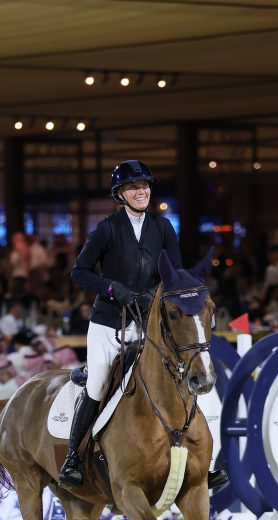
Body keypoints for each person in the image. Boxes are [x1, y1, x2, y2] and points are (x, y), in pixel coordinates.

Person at [59, 159, 226, 490]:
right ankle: (73, 458)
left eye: (145, 186)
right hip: (109, 323)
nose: (141, 191)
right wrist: (112, 287)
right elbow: (79, 271)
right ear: (120, 194)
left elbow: (174, 277)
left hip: (148, 323)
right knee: (98, 383)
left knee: (178, 378)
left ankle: (202, 463)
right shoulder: (107, 229)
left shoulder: (163, 227)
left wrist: (154, 293)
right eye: (134, 187)